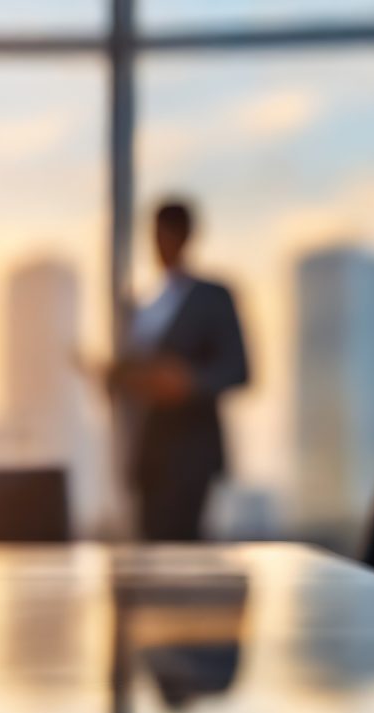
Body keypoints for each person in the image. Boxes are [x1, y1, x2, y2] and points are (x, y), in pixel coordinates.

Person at [113, 199, 250, 542]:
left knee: (183, 547)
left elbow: (238, 369)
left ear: (187, 236)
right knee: (149, 546)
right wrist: (118, 376)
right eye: (157, 235)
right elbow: (134, 375)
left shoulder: (213, 296)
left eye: (169, 234)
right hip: (147, 450)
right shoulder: (144, 303)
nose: (162, 244)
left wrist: (187, 382)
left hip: (191, 452)